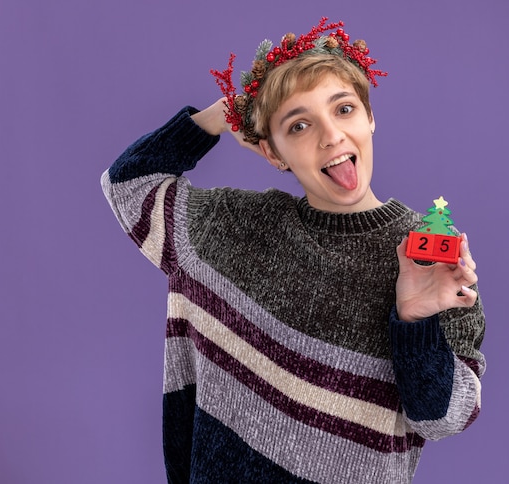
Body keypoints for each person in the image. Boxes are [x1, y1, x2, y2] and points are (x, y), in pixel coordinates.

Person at [101, 17, 486, 484]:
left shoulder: (433, 260)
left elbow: (442, 420)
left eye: (343, 109)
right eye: (299, 124)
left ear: (369, 118)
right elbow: (129, 185)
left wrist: (416, 320)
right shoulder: (229, 227)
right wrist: (218, 118)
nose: (330, 136)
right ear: (272, 153)